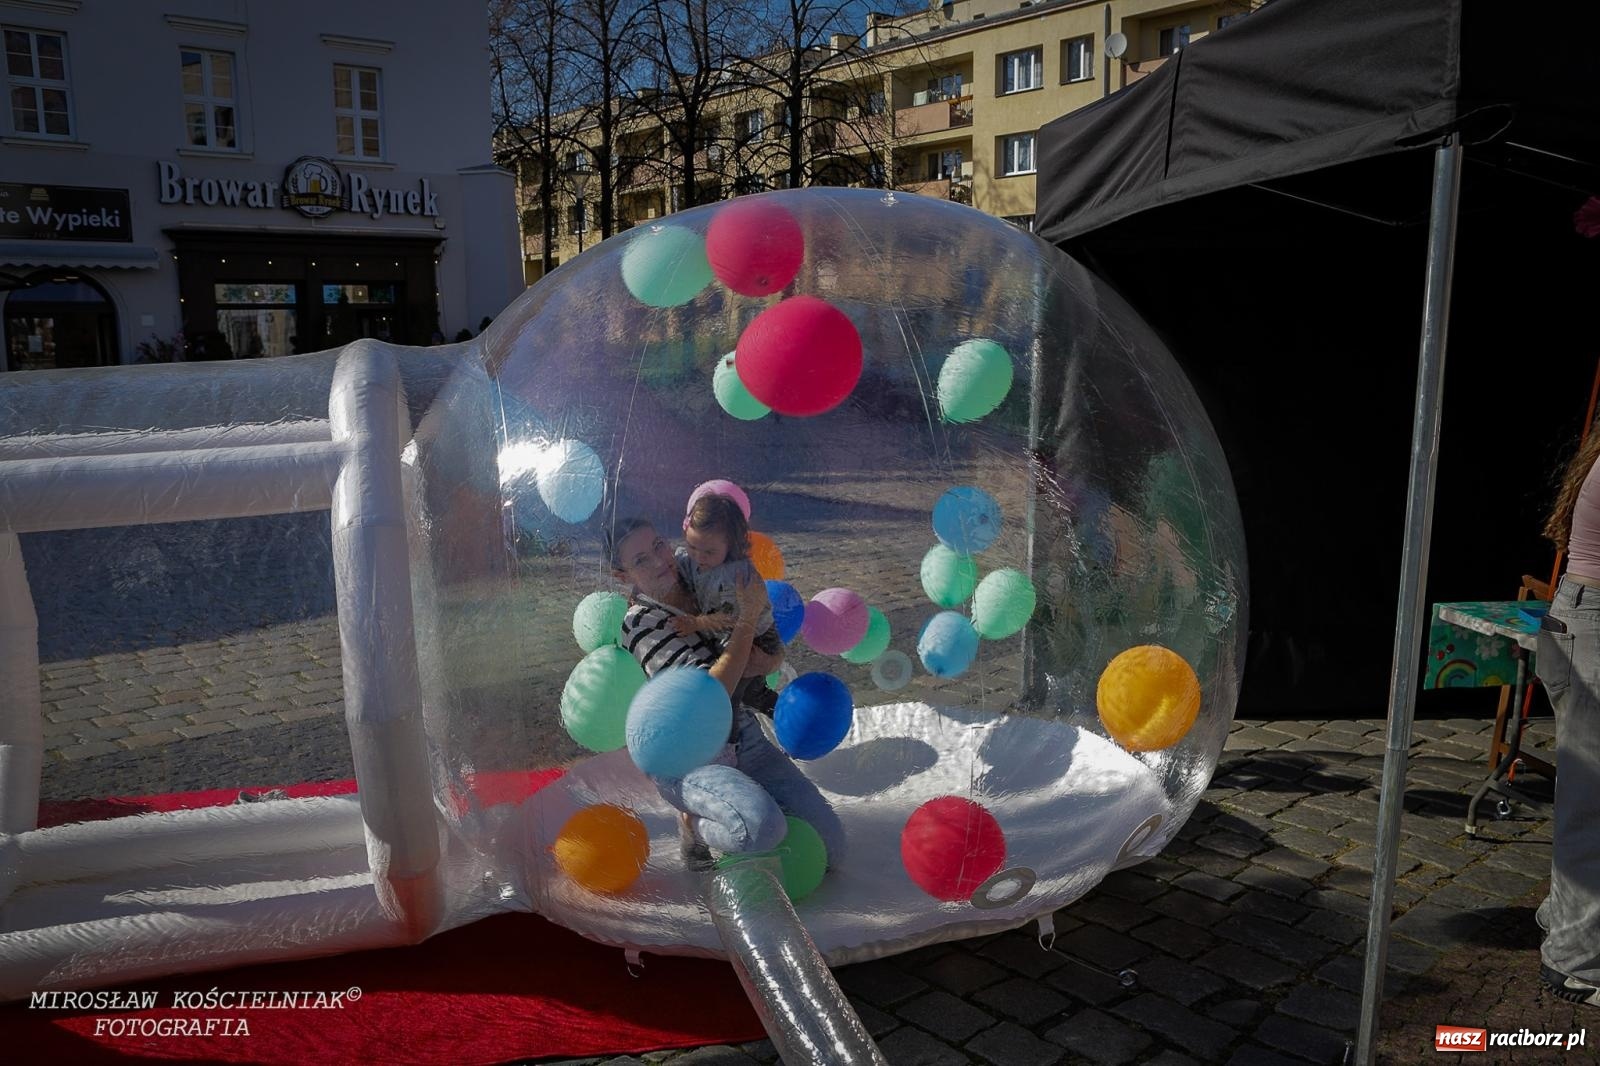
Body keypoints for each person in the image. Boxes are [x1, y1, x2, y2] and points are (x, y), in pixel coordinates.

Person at [607, 517, 843, 865]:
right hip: (687, 753)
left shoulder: (692, 566)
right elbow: (710, 694)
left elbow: (758, 602)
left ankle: (748, 800)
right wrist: (745, 620)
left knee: (833, 849)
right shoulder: (640, 624)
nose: (660, 559)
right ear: (622, 576)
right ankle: (694, 824)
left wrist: (770, 659)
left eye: (658, 544)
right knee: (761, 829)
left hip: (741, 732)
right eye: (641, 560)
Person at [1537, 428, 1600, 1006]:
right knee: (1590, 802)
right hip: (1589, 628)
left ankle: (1562, 916)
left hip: (1580, 623)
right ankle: (1574, 963)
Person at [676, 493, 781, 712]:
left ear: (731, 545)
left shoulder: (736, 577)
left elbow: (731, 619)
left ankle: (730, 740)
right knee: (750, 691)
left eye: (709, 552)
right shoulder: (696, 558)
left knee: (732, 690)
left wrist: (696, 623)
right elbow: (678, 564)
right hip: (730, 631)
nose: (698, 557)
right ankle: (767, 702)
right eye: (691, 546)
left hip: (758, 636)